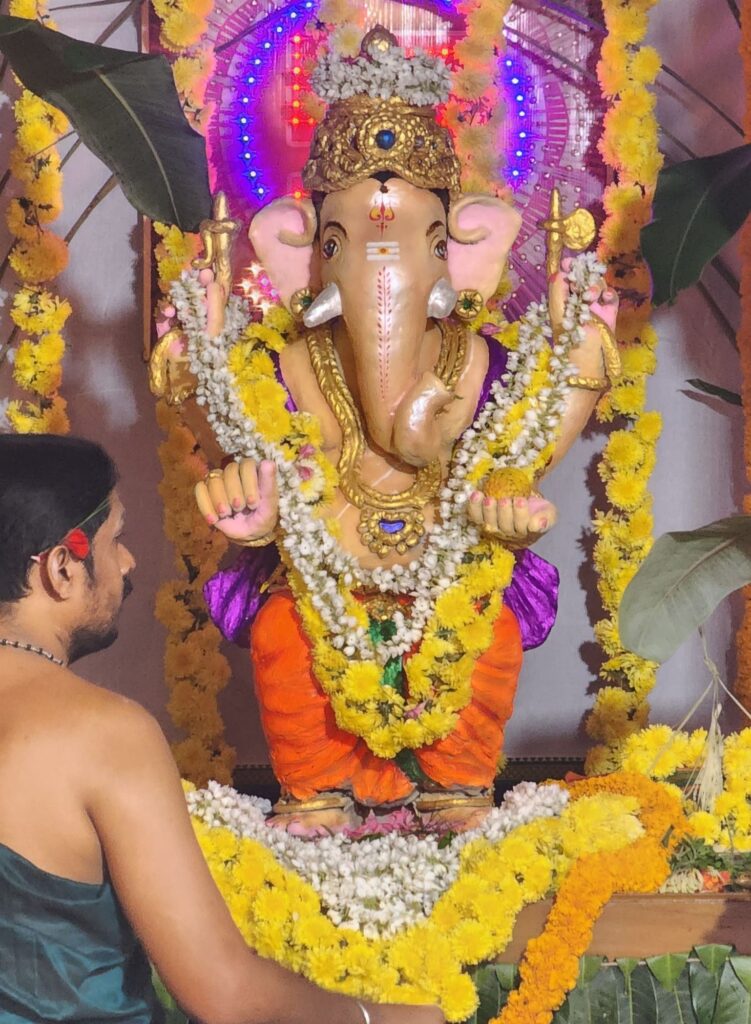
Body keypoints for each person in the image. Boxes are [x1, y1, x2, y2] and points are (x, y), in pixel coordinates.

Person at [0, 433, 444, 1024]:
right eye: (116, 540)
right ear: (61, 567)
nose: (128, 563)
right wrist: (384, 1018)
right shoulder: (101, 732)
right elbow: (228, 997)